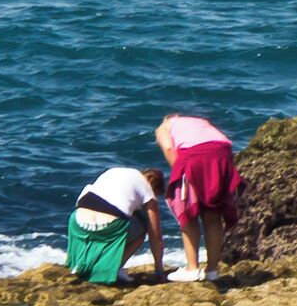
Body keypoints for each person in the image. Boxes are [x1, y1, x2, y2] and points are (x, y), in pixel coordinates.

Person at [156, 114, 243, 283]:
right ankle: (212, 271)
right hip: (223, 152)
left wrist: (179, 172)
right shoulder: (201, 122)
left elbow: (168, 149)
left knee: (188, 212)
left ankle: (192, 268)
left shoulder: (164, 127)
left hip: (195, 155)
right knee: (213, 213)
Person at [62, 161, 164, 286]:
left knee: (100, 223)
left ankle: (80, 264)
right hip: (108, 226)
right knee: (142, 228)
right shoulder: (148, 191)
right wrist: (159, 270)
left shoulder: (114, 171)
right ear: (156, 189)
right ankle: (114, 268)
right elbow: (156, 237)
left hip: (77, 222)